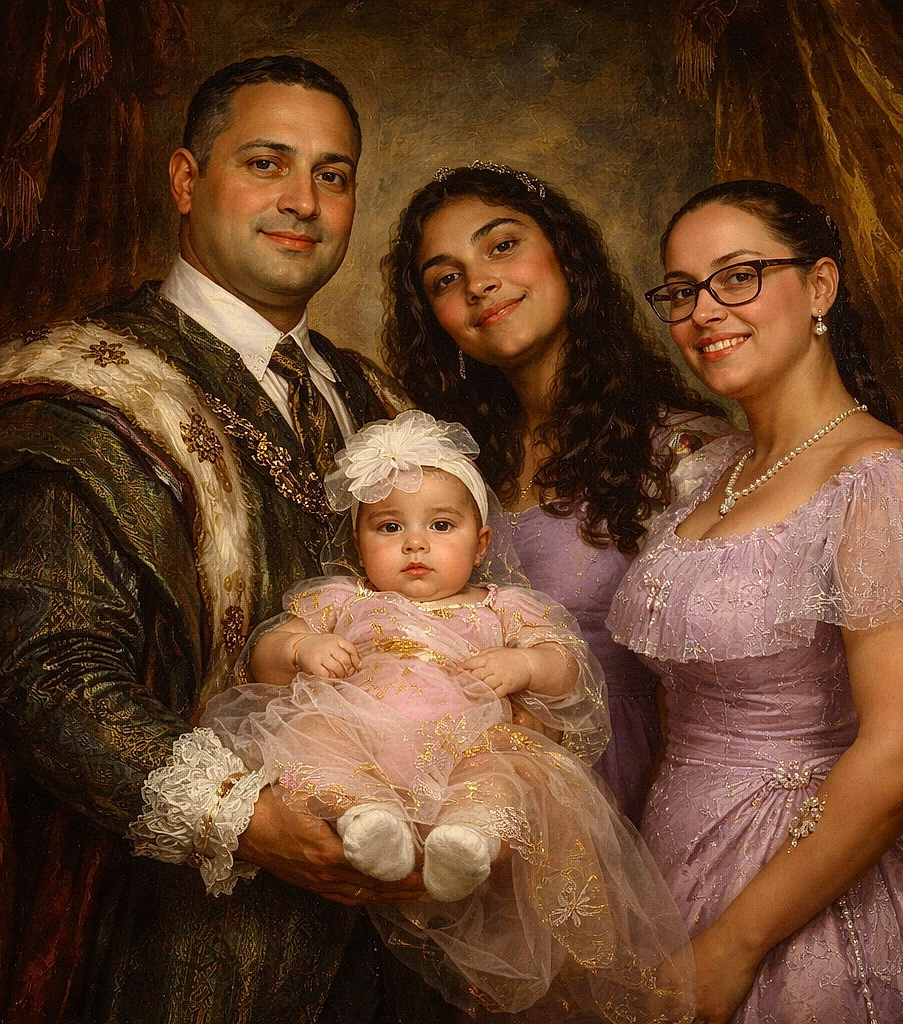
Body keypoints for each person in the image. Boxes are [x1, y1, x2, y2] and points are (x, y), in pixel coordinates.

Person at [0, 56, 452, 1024]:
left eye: (332, 174)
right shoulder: (88, 394)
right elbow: (50, 679)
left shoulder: (376, 398)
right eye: (267, 163)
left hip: (404, 943)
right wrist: (252, 819)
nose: (303, 201)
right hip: (187, 945)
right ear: (186, 180)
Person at [607, 179, 903, 1023]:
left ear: (820, 286)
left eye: (738, 276)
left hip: (807, 893)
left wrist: (734, 946)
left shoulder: (882, 483)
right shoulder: (715, 471)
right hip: (671, 865)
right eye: (682, 291)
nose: (705, 312)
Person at [201, 410, 695, 1021]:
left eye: (441, 525)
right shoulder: (344, 602)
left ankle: (468, 836)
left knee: (509, 769)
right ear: (358, 544)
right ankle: (367, 817)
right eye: (389, 527)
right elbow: (265, 658)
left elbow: (568, 667)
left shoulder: (501, 607)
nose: (415, 544)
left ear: (481, 543)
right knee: (315, 731)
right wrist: (301, 648)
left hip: (464, 747)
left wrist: (524, 665)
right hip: (365, 737)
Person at [382, 163, 729, 825]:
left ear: (567, 257)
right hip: (471, 803)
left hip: (630, 796)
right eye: (446, 279)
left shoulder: (683, 455)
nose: (479, 283)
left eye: (502, 245)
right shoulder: (451, 470)